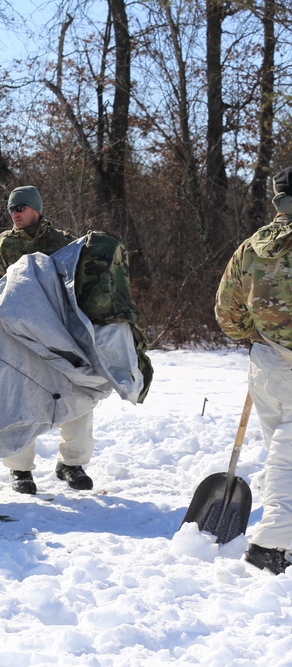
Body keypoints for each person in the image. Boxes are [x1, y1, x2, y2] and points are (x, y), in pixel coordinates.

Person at [0, 185, 94, 495]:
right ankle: (20, 469)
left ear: (36, 209)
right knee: (19, 398)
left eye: (21, 207)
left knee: (80, 393)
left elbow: (80, 284)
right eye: (11, 209)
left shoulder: (63, 242)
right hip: (18, 336)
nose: (15, 213)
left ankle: (72, 463)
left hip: (61, 335)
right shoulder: (2, 247)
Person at [215, 166, 292, 575]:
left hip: (266, 366)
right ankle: (269, 545)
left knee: (281, 449)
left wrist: (259, 337)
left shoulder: (252, 246)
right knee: (288, 461)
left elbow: (227, 313)